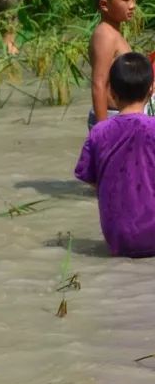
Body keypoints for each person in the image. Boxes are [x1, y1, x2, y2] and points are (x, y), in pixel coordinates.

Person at [74, 53, 155, 258]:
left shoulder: (99, 132)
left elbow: (90, 178)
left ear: (111, 91)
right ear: (151, 88)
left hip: (118, 238)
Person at [87, 0, 137, 129]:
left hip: (124, 116)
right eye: (126, 0)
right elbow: (99, 84)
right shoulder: (105, 35)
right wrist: (103, 132)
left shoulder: (114, 32)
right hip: (112, 119)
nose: (132, 6)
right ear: (104, 4)